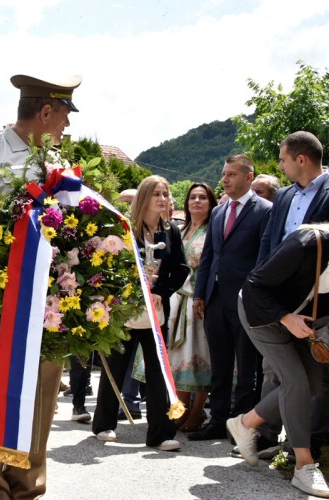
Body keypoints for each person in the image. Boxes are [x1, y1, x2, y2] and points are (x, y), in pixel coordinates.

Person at [0, 73, 80, 498]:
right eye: (64, 114)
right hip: (0, 299)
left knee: (42, 400)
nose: (66, 124)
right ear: (45, 112)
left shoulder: (59, 162)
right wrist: (16, 263)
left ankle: (28, 490)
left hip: (50, 303)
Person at [230, 224, 329, 498]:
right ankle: (304, 465)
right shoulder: (306, 243)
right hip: (262, 314)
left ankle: (245, 423)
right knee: (295, 382)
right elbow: (254, 286)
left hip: (304, 324)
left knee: (312, 384)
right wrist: (285, 318)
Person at [254, 131, 329, 457]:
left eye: (282, 159)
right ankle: (265, 436)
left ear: (301, 159)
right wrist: (260, 277)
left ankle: (306, 445)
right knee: (274, 367)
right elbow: (270, 240)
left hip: (320, 298)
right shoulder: (285, 196)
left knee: (318, 372)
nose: (280, 165)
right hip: (278, 297)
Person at [92, 175, 189, 451]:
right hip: (126, 309)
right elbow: (111, 267)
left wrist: (162, 291)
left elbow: (181, 268)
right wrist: (134, 288)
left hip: (156, 312)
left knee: (158, 372)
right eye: (157, 194)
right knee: (116, 366)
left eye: (165, 194)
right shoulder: (124, 229)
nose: (163, 199)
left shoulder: (171, 231)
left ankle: (161, 433)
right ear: (144, 197)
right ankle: (104, 425)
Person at [189, 155, 272, 441]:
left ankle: (243, 426)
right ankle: (217, 421)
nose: (225, 179)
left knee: (247, 367)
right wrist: (200, 294)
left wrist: (253, 294)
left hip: (245, 300)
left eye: (232, 174)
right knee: (220, 365)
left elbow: (264, 257)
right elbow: (209, 256)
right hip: (215, 299)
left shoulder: (265, 210)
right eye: (224, 174)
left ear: (249, 177)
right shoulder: (218, 212)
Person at [166, 183, 216, 432]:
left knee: (198, 357)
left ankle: (197, 412)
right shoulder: (180, 229)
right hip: (176, 300)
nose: (197, 201)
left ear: (211, 203)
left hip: (198, 302)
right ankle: (181, 410)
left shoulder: (213, 231)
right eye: (192, 197)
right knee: (179, 358)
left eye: (203, 197)